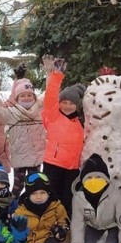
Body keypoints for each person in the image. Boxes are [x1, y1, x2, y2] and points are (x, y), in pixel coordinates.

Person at [0, 64, 46, 197]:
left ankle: (31, 209)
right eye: (22, 96)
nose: (26, 98)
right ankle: (11, 209)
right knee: (17, 187)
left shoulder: (40, 111)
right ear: (17, 98)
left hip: (35, 159)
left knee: (35, 187)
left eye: (29, 95)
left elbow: (49, 94)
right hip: (19, 158)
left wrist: (51, 75)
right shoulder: (12, 114)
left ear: (34, 97)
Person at [40, 55, 85, 218]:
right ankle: (49, 226)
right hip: (53, 164)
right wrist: (56, 75)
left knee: (68, 200)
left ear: (78, 105)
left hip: (72, 168)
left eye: (71, 103)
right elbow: (51, 96)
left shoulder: (81, 122)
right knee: (52, 197)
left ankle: (64, 229)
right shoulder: (53, 116)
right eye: (64, 102)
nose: (67, 106)